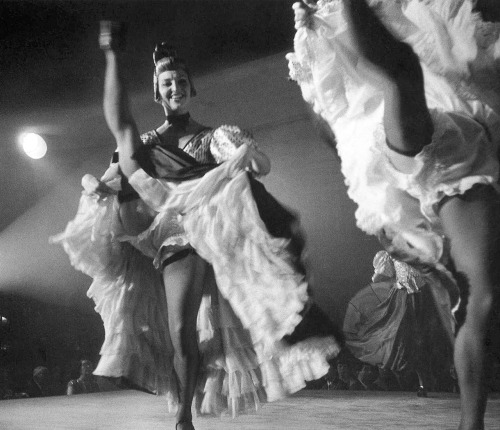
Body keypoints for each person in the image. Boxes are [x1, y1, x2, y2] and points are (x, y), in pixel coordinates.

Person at [52, 21, 341, 430]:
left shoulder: (212, 136)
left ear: (190, 89)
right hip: (169, 228)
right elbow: (116, 167)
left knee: (189, 323)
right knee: (180, 328)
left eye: (181, 81)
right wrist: (97, 186)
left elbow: (260, 166)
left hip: (211, 227)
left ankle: (184, 419)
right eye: (167, 82)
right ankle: (112, 54)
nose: (175, 87)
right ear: (158, 91)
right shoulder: (146, 144)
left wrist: (246, 156)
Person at [287, 1, 500, 429]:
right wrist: (327, 38)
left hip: (442, 164)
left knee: (481, 301)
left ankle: (470, 421)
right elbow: (353, 99)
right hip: (446, 156)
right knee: (400, 76)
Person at [344, 250, 455, 396]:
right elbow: (377, 278)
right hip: (405, 298)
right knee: (407, 341)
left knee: (428, 339)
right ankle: (423, 380)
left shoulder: (419, 247)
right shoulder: (391, 253)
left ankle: (439, 377)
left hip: (425, 296)